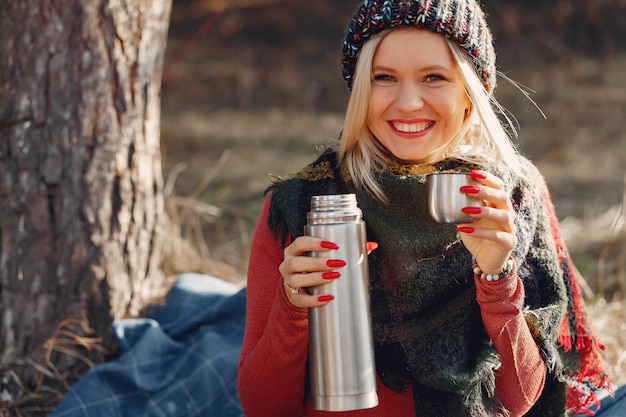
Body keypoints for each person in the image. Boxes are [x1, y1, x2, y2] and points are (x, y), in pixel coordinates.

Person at [237, 1, 611, 416]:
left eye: (434, 77)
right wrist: (292, 308)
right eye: (384, 78)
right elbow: (262, 407)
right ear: (360, 88)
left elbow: (519, 400)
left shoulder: (511, 196)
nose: (409, 102)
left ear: (470, 93)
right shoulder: (299, 204)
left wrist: (497, 276)